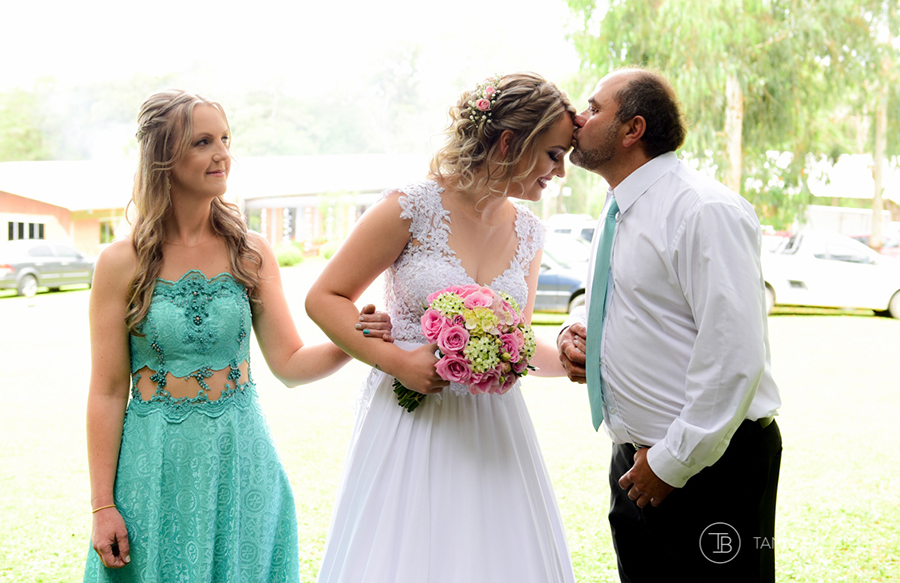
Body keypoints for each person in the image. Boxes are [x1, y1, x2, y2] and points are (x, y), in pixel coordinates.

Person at [83, 89, 389, 582]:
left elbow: (289, 364)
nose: (223, 153)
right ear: (163, 155)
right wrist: (102, 505)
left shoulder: (251, 252)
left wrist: (354, 340)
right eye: (203, 141)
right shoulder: (120, 262)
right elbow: (108, 389)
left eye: (225, 139)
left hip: (241, 462)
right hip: (154, 468)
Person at [306, 72, 578, 583]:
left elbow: (516, 344)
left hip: (494, 432)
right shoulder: (410, 208)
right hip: (410, 426)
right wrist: (400, 362)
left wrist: (565, 359)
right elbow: (324, 298)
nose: (560, 171)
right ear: (507, 143)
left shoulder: (529, 232)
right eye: (553, 154)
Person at [557, 67, 782, 583]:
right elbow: (621, 304)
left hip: (708, 465)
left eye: (593, 108)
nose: (577, 117)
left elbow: (734, 352)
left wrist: (673, 462)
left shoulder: (703, 209)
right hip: (633, 462)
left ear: (632, 129)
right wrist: (574, 332)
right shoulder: (615, 209)